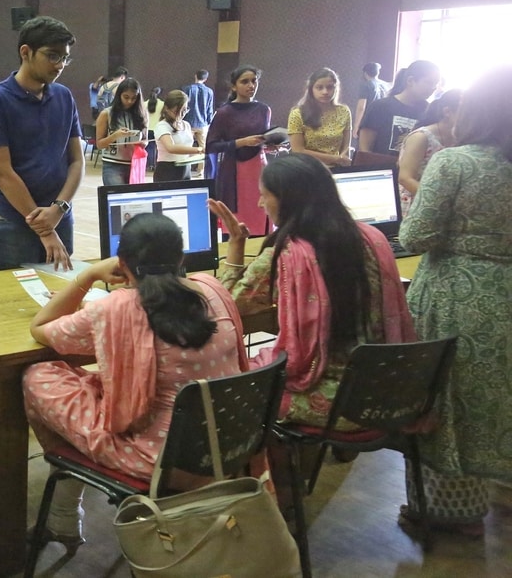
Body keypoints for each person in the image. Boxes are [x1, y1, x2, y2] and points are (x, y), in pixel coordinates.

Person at [22, 214, 247, 545]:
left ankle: (63, 513)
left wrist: (88, 275)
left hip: (158, 460)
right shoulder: (212, 291)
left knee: (38, 376)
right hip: (225, 447)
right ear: (181, 258)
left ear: (122, 262)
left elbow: (41, 327)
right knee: (95, 385)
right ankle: (63, 513)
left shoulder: (117, 308)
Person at [210, 154, 414, 427]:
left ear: (288, 199)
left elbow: (228, 305)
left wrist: (236, 246)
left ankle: (283, 466)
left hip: (334, 399)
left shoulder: (288, 254)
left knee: (225, 385)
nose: (260, 203)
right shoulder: (371, 237)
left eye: (264, 195)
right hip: (382, 383)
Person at [397, 67, 512, 536]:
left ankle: (446, 511)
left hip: (454, 297)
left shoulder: (454, 162)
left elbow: (416, 234)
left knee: (445, 403)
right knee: (494, 400)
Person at [0, 16, 85, 272]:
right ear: (26, 52)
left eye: (65, 58)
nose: (60, 65)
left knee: (61, 291)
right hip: (13, 217)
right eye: (52, 56)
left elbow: (77, 160)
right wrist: (44, 229)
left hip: (59, 213)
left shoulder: (64, 96)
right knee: (18, 297)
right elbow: (2, 173)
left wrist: (59, 208)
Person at [206, 65, 272, 235]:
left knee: (261, 216)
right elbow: (211, 146)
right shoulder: (224, 113)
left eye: (254, 81)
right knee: (237, 223)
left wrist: (272, 144)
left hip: (259, 167)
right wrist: (241, 142)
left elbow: (262, 138)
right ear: (234, 86)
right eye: (245, 82)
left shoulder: (264, 109)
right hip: (235, 172)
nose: (251, 85)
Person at [357, 60, 441, 157]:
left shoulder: (429, 112)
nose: (433, 88)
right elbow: (364, 149)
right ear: (410, 81)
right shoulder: (380, 106)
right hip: (382, 169)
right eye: (429, 82)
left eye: (435, 84)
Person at [397, 89, 461, 215]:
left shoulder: (461, 139)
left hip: (441, 208)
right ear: (447, 112)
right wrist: (439, 201)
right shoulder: (421, 137)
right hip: (414, 204)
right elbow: (405, 178)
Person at [287, 67, 352, 167]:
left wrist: (342, 160)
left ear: (336, 88)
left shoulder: (344, 111)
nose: (325, 92)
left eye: (330, 87)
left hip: (336, 168)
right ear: (311, 89)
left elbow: (346, 147)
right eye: (319, 87)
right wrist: (336, 159)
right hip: (306, 168)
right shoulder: (298, 113)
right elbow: (298, 151)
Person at [94, 78, 148, 186]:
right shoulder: (106, 114)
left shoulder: (142, 114)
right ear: (119, 95)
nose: (129, 101)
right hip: (112, 164)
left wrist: (141, 143)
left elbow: (145, 140)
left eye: (133, 98)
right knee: (117, 199)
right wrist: (115, 135)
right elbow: (99, 144)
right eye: (126, 97)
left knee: (132, 200)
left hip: (134, 163)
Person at [153, 90, 203, 182]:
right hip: (167, 170)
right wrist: (200, 150)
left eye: (184, 110)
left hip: (186, 168)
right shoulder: (162, 126)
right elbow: (171, 148)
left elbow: (187, 148)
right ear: (167, 109)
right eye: (177, 111)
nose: (181, 115)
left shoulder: (186, 125)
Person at [183, 70, 216, 177]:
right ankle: (201, 171)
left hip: (188, 122)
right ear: (206, 79)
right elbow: (209, 109)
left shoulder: (187, 89)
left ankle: (186, 168)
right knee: (203, 148)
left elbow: (184, 106)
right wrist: (209, 122)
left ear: (195, 76)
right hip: (203, 124)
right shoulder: (209, 91)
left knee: (186, 146)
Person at [353, 61, 388, 139]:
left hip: (369, 121)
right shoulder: (385, 85)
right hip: (384, 121)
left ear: (365, 73)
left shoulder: (366, 85)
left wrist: (356, 126)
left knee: (363, 148)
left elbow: (361, 107)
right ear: (378, 72)